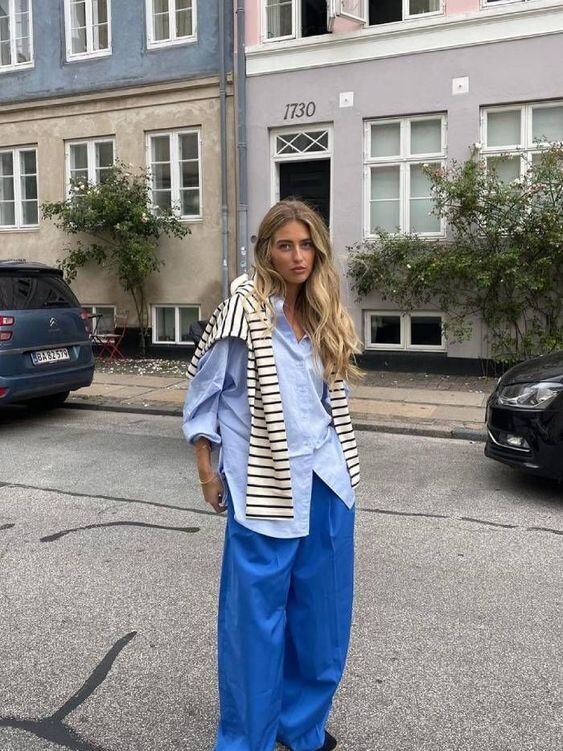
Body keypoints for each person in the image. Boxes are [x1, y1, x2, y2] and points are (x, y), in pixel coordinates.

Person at [183, 199, 361, 751]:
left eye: (307, 245)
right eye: (286, 245)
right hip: (265, 485)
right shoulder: (243, 309)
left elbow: (329, 400)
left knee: (322, 621)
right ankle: (246, 740)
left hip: (326, 481)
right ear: (266, 251)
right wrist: (208, 472)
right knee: (255, 626)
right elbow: (204, 395)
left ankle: (300, 727)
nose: (298, 256)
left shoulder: (322, 307)